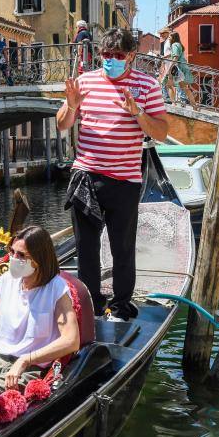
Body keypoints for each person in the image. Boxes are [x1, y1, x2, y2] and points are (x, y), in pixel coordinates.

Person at [57, 28, 169, 322]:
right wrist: (72, 104)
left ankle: (120, 306)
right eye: (107, 55)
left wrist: (138, 113)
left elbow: (161, 131)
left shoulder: (147, 86)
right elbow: (62, 125)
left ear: (131, 56)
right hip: (85, 176)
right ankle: (90, 305)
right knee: (86, 247)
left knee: (122, 248)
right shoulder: (84, 82)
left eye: (118, 56)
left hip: (124, 180)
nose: (111, 60)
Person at [0, 226, 79, 392]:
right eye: (12, 251)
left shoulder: (56, 289)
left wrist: (25, 360)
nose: (13, 258)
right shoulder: (7, 280)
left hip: (30, 368)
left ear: (39, 259)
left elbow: (71, 341)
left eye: (21, 255)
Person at [168, 32, 199, 110]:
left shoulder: (174, 45)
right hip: (183, 67)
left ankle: (173, 103)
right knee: (185, 88)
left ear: (173, 38)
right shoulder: (179, 45)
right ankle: (194, 106)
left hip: (178, 68)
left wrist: (169, 69)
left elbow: (175, 57)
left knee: (168, 84)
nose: (168, 39)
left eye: (169, 37)